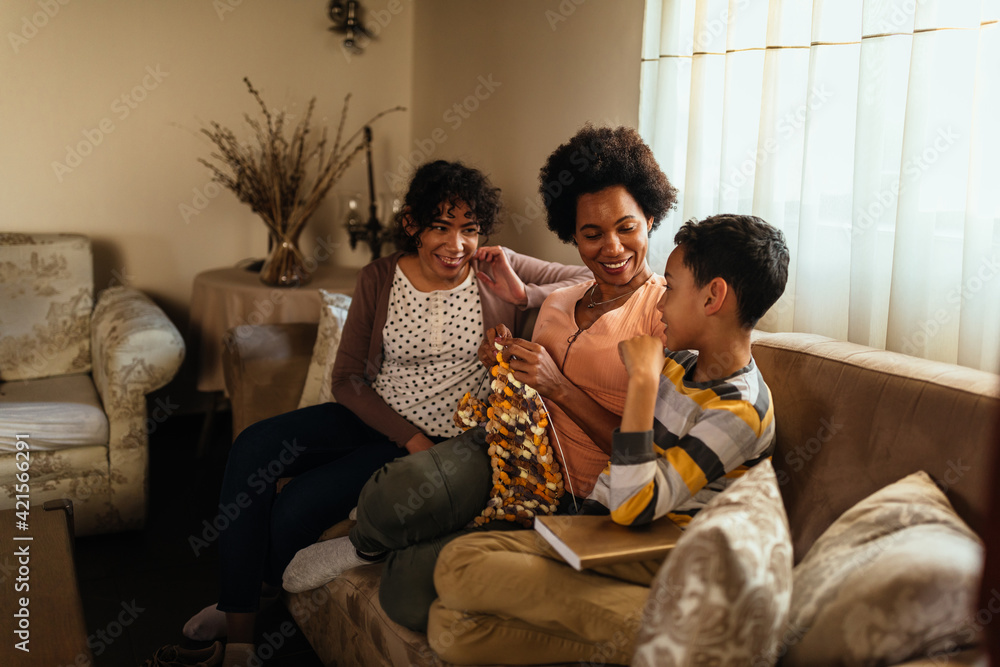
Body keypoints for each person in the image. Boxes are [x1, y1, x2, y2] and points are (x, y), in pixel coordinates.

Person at [181, 160, 591, 667]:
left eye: (469, 229)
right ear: (412, 226)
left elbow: (592, 276)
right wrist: (407, 436)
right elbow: (347, 378)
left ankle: (252, 600)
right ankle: (238, 622)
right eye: (440, 227)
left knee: (296, 508)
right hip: (374, 419)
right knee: (252, 447)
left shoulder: (494, 266)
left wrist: (523, 292)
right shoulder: (379, 277)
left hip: (445, 441)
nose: (455, 244)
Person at [281, 125, 680, 633]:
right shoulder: (561, 297)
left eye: (627, 228)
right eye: (591, 234)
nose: (612, 248)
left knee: (405, 592)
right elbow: (530, 320)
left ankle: (471, 550)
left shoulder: (665, 312)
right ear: (572, 236)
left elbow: (655, 454)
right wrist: (503, 353)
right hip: (504, 451)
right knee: (389, 493)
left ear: (650, 218)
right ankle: (370, 540)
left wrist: (559, 387)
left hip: (578, 495)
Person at [425, 213, 791, 665]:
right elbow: (633, 464)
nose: (659, 305)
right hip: (605, 535)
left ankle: (697, 635)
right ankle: (645, 638)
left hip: (662, 556)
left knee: (458, 568)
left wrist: (641, 382)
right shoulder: (678, 365)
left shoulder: (739, 410)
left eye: (671, 288)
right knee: (450, 627)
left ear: (713, 296)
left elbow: (634, 503)